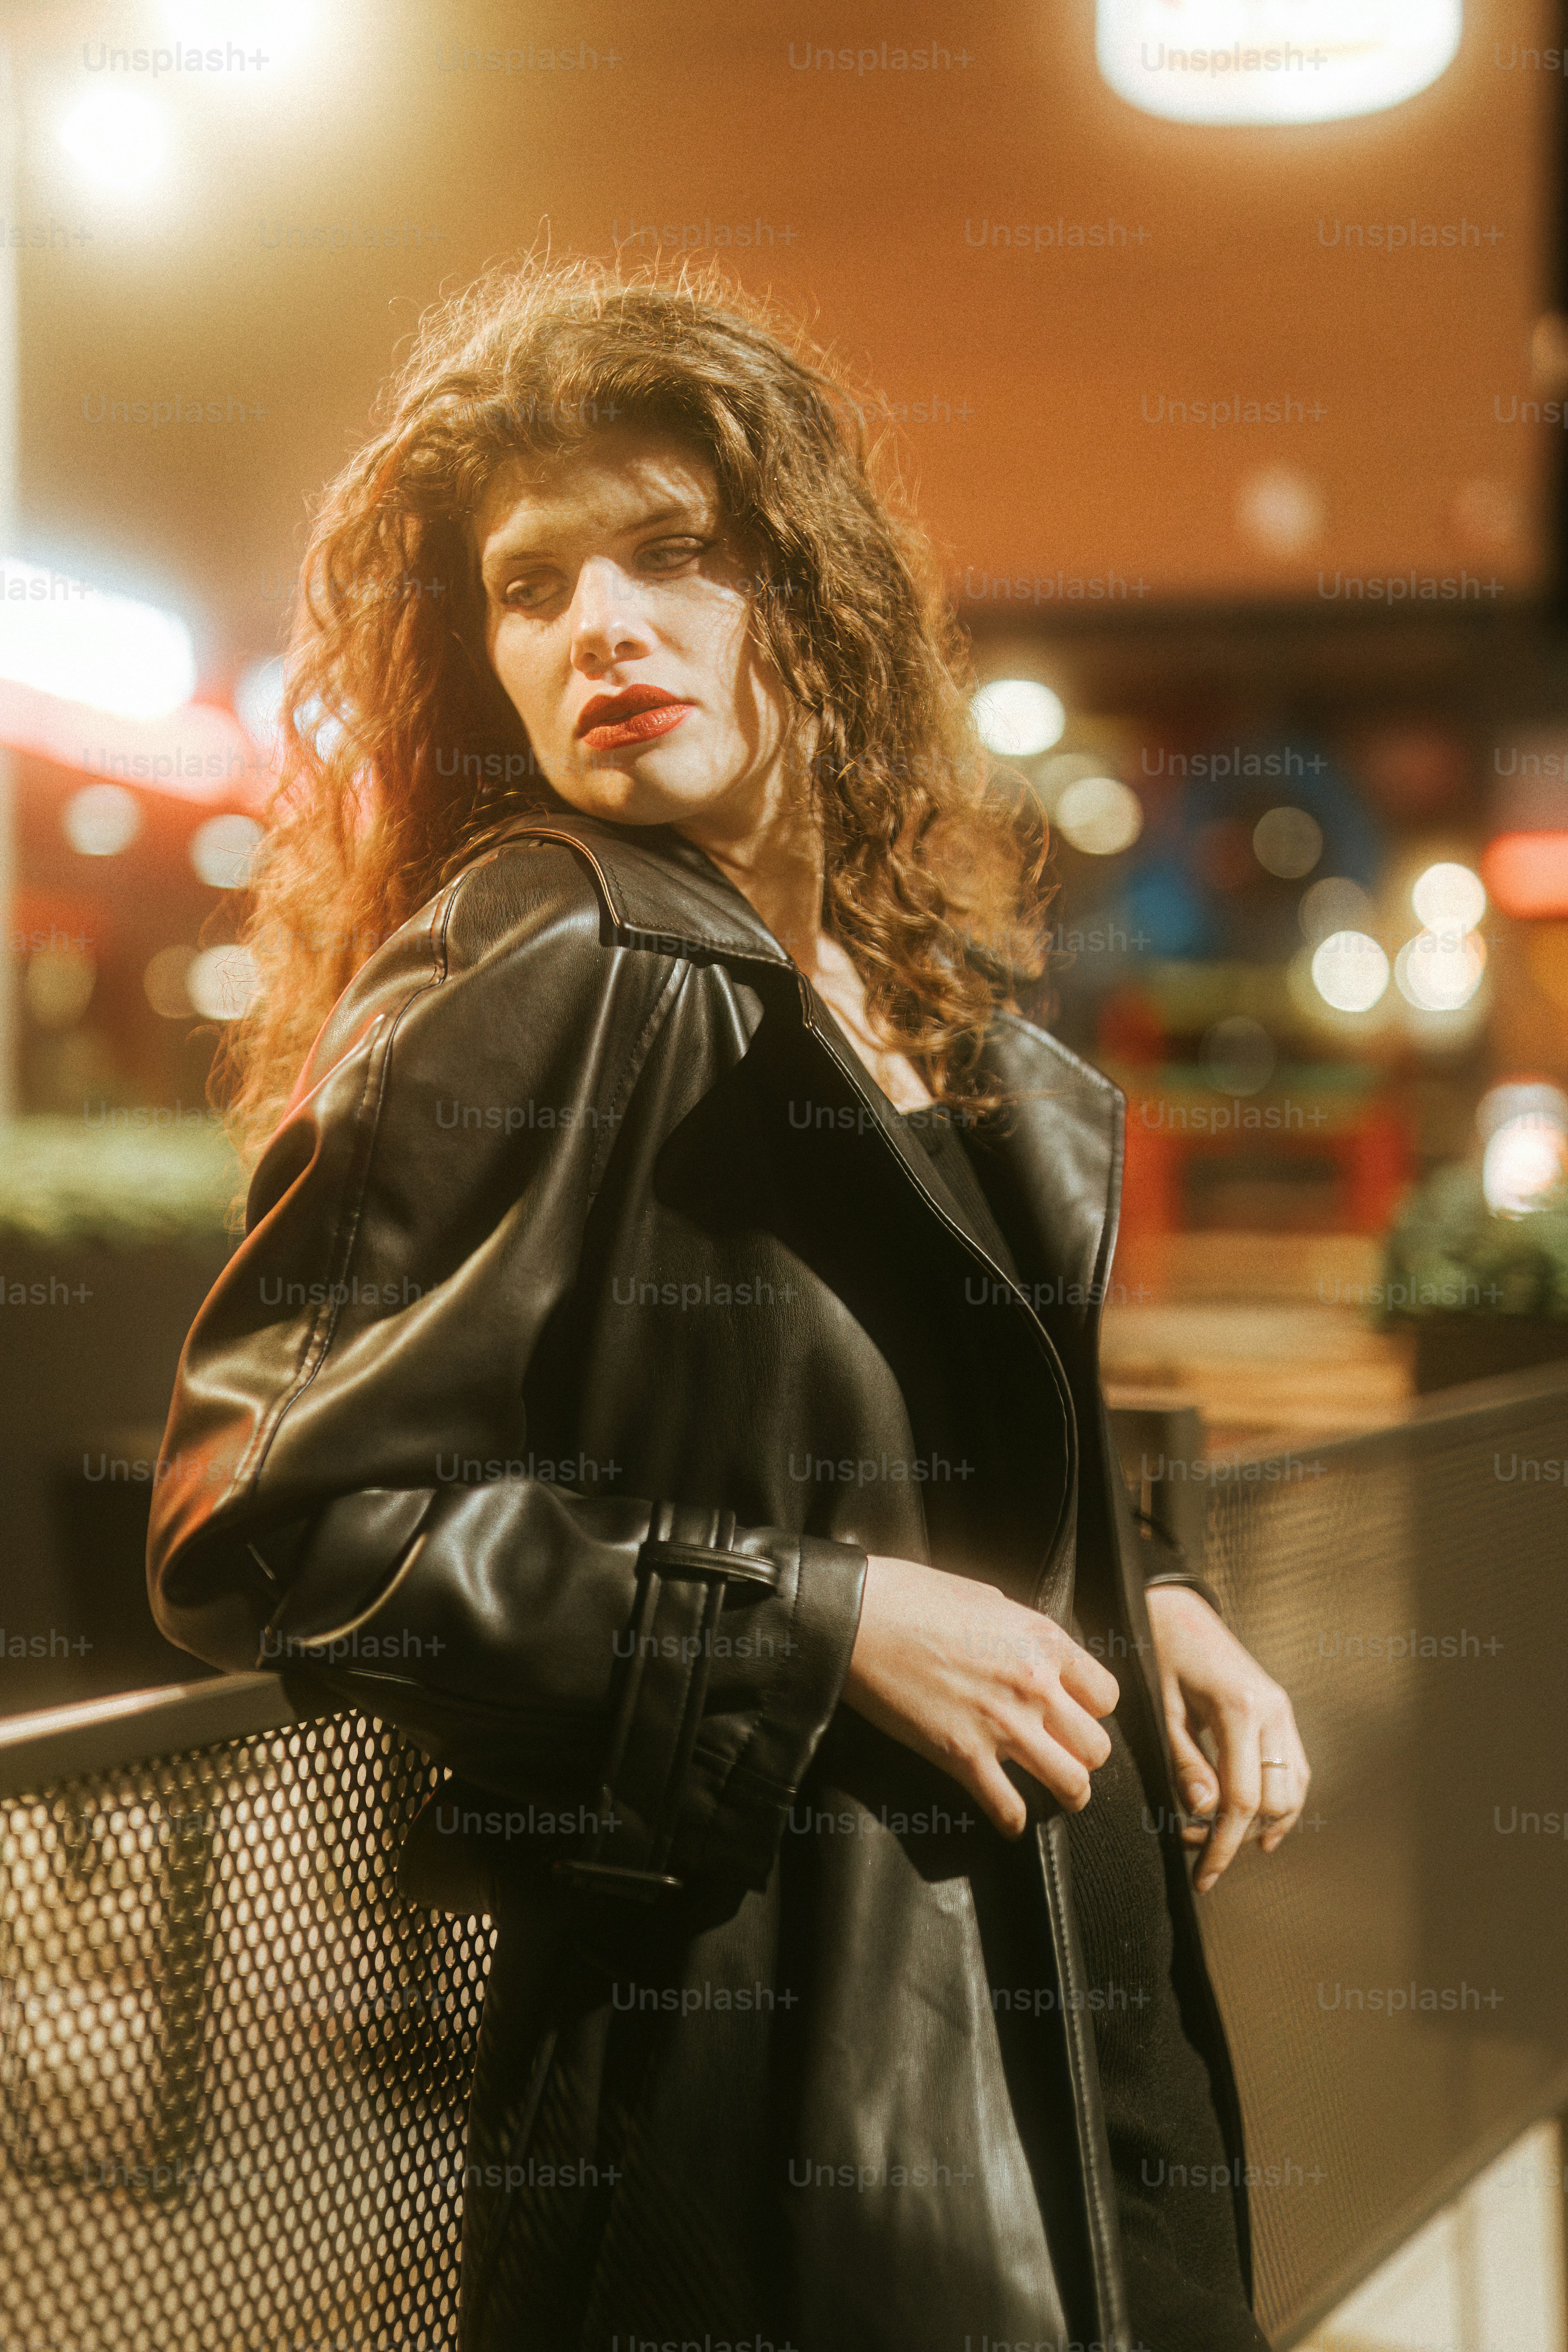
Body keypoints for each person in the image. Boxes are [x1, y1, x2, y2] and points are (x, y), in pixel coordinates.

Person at [148, 259, 1310, 2352]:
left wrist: (1143, 1596)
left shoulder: (902, 999)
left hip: (1060, 2030)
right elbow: (264, 1521)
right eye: (531, 588)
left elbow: (889, 1418)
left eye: (679, 552)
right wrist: (819, 1621)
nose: (604, 625)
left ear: (811, 590)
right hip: (767, 2106)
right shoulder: (544, 959)